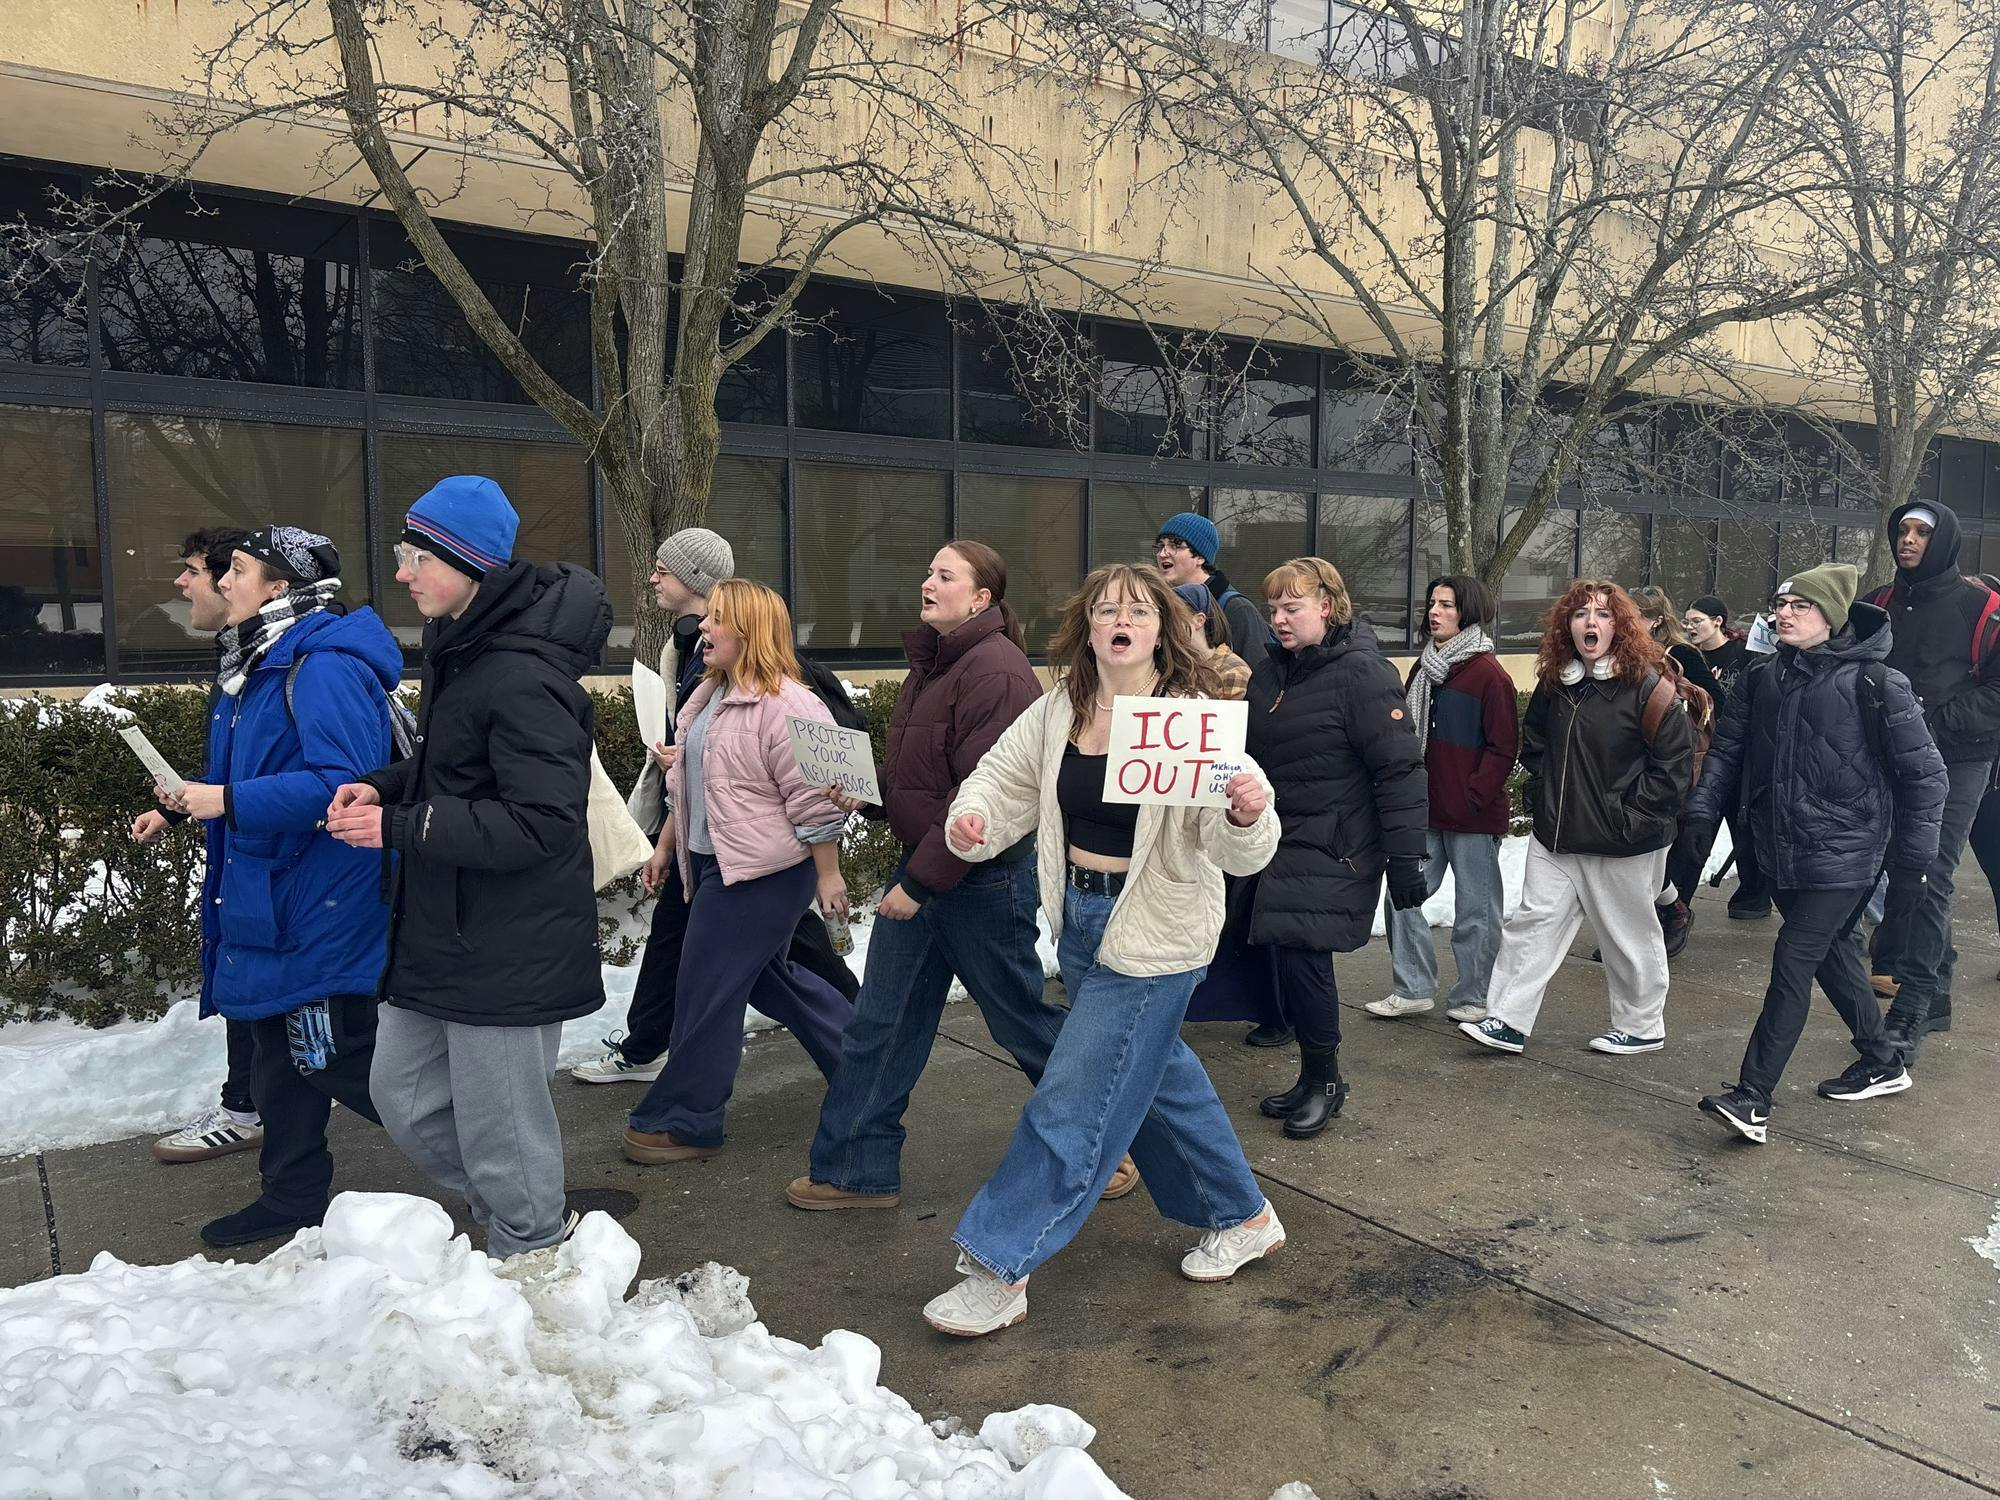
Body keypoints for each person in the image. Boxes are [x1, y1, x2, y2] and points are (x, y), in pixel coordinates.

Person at [919, 564, 1284, 1337]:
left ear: (1163, 629)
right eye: (1105, 610)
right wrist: (970, 822)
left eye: (1138, 610)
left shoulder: (1190, 719)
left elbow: (1238, 846)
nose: (1120, 620)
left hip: (1157, 933)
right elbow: (1001, 781)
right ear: (1087, 628)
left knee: (1074, 1097)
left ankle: (999, 1263)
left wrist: (1249, 813)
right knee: (1157, 1080)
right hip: (1082, 921)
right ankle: (1242, 1216)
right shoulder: (1061, 711)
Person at [792, 541, 1126, 1209]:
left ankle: (1113, 1145)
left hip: (977, 881)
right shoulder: (936, 664)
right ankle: (854, 1168)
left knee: (1023, 1022)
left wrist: (917, 885)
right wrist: (873, 795)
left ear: (981, 599)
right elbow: (930, 784)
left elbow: (987, 800)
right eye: (928, 571)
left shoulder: (995, 674)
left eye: (944, 575)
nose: (927, 582)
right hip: (927, 867)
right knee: (880, 1023)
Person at [328, 476, 610, 1258]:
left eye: (417, 557)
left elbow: (543, 822)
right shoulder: (461, 648)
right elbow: (458, 776)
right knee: (402, 1095)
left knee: (503, 1126)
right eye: (401, 553)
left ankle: (533, 1253)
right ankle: (517, 1219)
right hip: (442, 928)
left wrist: (398, 823)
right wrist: (384, 786)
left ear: (468, 563)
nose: (403, 573)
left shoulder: (521, 674)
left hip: (507, 941)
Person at [155, 527, 400, 1247]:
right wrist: (184, 807)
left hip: (320, 899)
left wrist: (225, 800)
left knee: (331, 1056)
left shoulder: (321, 667)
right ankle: (292, 1196)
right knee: (278, 1056)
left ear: (280, 586)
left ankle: (493, 1164)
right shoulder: (254, 664)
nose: (218, 581)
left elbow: (344, 787)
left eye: (236, 569)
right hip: (274, 896)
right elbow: (248, 778)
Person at [570, 529, 858, 1085]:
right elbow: (701, 762)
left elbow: (810, 781)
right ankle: (858, 1052)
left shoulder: (781, 689)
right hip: (708, 851)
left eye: (663, 569)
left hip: (755, 861)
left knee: (739, 972)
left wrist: (827, 871)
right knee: (754, 971)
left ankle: (685, 1100)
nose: (652, 578)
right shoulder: (696, 663)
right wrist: (669, 839)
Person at [1685, 565, 1944, 1144]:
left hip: (1848, 851)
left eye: (1800, 606)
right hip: (1780, 850)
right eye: (1780, 603)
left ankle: (1754, 1096)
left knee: (1794, 959)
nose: (1784, 614)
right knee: (1831, 957)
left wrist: (1913, 863)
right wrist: (1701, 813)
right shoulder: (1760, 677)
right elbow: (1726, 752)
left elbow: (1927, 778)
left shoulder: (1877, 683)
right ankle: (1883, 1060)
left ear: (1832, 616)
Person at [620, 579, 855, 1164]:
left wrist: (828, 876)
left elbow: (817, 801)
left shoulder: (790, 704)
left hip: (765, 874)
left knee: (704, 988)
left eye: (717, 619)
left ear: (749, 630)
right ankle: (867, 1068)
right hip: (716, 864)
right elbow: (687, 787)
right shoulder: (710, 699)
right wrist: (666, 848)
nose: (703, 627)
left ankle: (686, 1119)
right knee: (773, 982)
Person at [1214, 557, 1430, 1139]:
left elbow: (1400, 767)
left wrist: (1408, 856)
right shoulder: (1272, 673)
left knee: (1306, 958)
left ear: (1327, 608)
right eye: (1275, 609)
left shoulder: (1363, 673)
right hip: (1276, 837)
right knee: (1286, 956)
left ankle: (1327, 1080)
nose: (1280, 619)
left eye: (1293, 608)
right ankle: (1312, 1077)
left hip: (1335, 841)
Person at [1461, 580, 1694, 1058]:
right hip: (1558, 835)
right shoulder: (1556, 683)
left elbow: (1673, 770)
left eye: (1604, 614)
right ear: (1566, 625)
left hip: (1621, 840)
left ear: (1622, 626)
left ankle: (1642, 1025)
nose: (1592, 622)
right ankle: (1506, 1019)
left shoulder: (1650, 688)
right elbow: (1537, 744)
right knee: (1533, 923)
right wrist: (1542, 796)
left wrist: (1629, 819)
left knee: (1628, 936)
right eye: (1581, 613)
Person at [132, 527, 264, 1165]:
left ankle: (254, 1112)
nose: (182, 584)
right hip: (245, 856)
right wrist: (176, 808)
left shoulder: (283, 661)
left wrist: (223, 802)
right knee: (247, 980)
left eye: (194, 571)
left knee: (284, 1001)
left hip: (275, 863)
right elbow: (240, 768)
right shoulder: (240, 659)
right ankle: (247, 1106)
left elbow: (316, 779)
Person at [1863, 500, 2000, 1052]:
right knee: (1895, 872)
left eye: (1921, 532)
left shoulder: (1984, 607)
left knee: (1929, 876)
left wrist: (1936, 720)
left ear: (1943, 539)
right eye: (1903, 530)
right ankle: (1935, 988)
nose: (1909, 540)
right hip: (1885, 758)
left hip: (1959, 760)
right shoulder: (1877, 604)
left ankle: (1914, 1009)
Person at [1370, 575, 1517, 1026]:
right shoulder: (1424, 669)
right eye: (1432, 603)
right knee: (1403, 896)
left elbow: (1503, 747)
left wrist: (1473, 793)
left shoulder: (1488, 675)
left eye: (1447, 605)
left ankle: (1474, 996)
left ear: (1467, 612)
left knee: (1477, 912)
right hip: (1425, 811)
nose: (1434, 612)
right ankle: (1412, 988)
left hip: (1471, 816)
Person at [1632, 586, 1715, 958]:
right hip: (1634, 761)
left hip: (1674, 764)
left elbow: (1716, 703)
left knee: (1660, 855)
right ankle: (1641, 932)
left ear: (1656, 620)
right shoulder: (1625, 654)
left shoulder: (1679, 655)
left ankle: (1671, 917)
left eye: (1635, 616)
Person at [1681, 594, 1767, 919]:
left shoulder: (1742, 655)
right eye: (1687, 621)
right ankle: (1678, 903)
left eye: (1697, 621)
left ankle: (1753, 896)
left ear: (1718, 622)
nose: (1690, 627)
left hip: (1739, 756)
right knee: (1696, 829)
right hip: (1702, 756)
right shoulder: (1686, 657)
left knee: (1744, 830)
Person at [1153, 512, 1270, 669]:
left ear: (1200, 557)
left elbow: (1260, 678)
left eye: (1175, 546)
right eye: (1161, 546)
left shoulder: (1237, 609)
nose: (1162, 553)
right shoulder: (1162, 603)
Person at [1173, 581, 1254, 698]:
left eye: (1174, 617)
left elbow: (1229, 715)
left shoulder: (1232, 671)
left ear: (1199, 620)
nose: (1166, 625)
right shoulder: (1177, 666)